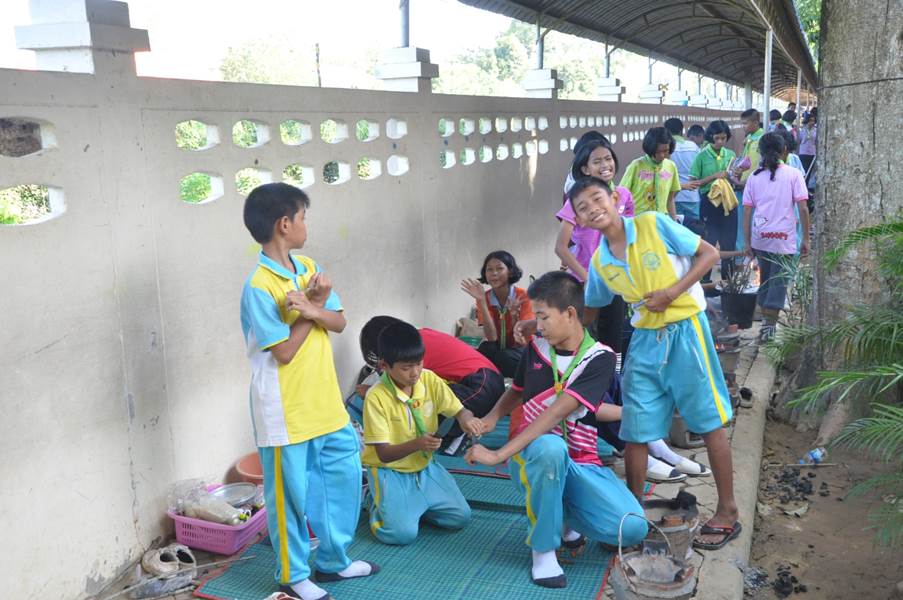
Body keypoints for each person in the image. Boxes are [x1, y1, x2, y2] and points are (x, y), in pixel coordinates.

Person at [569, 176, 741, 551]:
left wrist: (671, 292)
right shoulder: (600, 262)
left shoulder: (652, 224)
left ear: (615, 198)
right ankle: (632, 518)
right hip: (645, 342)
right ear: (578, 220)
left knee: (708, 422)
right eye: (583, 207)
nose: (593, 209)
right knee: (636, 428)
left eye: (597, 199)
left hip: (687, 332)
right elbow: (590, 311)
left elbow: (709, 254)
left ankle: (727, 511)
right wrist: (550, 326)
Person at [239, 182, 378, 600]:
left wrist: (314, 306)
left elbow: (338, 321)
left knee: (342, 478)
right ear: (285, 224)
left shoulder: (308, 267)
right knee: (290, 496)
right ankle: (293, 575)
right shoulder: (259, 285)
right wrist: (308, 313)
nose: (305, 224)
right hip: (285, 409)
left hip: (325, 403)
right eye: (302, 217)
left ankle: (334, 560)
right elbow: (283, 352)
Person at [465, 271, 647, 589]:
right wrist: (493, 417)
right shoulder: (536, 349)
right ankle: (543, 551)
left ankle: (564, 518)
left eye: (543, 316)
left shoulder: (599, 358)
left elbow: (558, 412)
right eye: (536, 316)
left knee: (633, 528)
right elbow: (517, 390)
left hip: (581, 462)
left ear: (570, 314)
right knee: (550, 448)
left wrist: (496, 455)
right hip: (534, 457)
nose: (538, 325)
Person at [361, 320, 484, 545]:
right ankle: (375, 500)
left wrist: (467, 419)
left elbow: (458, 409)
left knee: (460, 517)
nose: (415, 373)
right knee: (400, 535)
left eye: (419, 364)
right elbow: (383, 454)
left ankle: (411, 507)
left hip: (425, 467)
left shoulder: (429, 379)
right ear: (384, 366)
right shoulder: (376, 397)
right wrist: (417, 444)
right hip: (390, 471)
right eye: (406, 368)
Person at [358, 315, 505, 449]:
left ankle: (457, 433)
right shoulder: (418, 339)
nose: (413, 371)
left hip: (483, 385)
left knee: (422, 418)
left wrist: (372, 391)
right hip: (488, 381)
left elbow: (404, 391)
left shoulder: (412, 352)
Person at [555, 136, 634, 370]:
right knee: (583, 335)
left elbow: (630, 237)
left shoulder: (623, 195)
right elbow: (561, 247)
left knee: (613, 337)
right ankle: (579, 381)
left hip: (615, 278)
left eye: (608, 159)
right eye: (597, 161)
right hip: (584, 281)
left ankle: (613, 382)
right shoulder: (576, 200)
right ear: (585, 169)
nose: (605, 165)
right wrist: (588, 277)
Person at [742, 132, 811, 342]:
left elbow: (747, 212)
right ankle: (769, 330)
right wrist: (806, 238)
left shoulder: (754, 177)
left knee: (765, 281)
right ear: (784, 151)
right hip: (784, 239)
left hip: (760, 237)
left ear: (760, 152)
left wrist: (747, 242)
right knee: (778, 284)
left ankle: (766, 325)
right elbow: (803, 208)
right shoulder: (794, 174)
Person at [461, 250, 533, 378]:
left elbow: (522, 340)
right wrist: (482, 302)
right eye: (489, 269)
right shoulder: (484, 297)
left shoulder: (523, 296)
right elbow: (492, 338)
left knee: (504, 357)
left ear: (510, 271)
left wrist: (514, 316)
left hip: (524, 350)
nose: (494, 273)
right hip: (500, 350)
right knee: (485, 350)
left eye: (499, 268)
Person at [691, 120, 738, 280]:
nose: (720, 142)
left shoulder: (730, 155)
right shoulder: (701, 156)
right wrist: (714, 177)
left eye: (723, 138)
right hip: (709, 202)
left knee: (729, 241)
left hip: (728, 202)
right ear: (710, 137)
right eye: (716, 138)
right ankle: (705, 281)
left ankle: (728, 281)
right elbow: (694, 182)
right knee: (708, 241)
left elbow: (734, 179)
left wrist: (736, 174)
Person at [619, 127, 681, 219]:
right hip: (637, 220)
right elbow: (621, 196)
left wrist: (673, 222)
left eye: (666, 151)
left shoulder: (671, 167)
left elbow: (670, 199)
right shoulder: (636, 166)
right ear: (650, 148)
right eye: (657, 151)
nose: (662, 155)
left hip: (660, 220)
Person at [733, 109, 766, 251]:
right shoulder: (749, 139)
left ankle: (751, 251)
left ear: (756, 123)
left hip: (755, 186)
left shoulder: (762, 140)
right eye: (742, 123)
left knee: (753, 220)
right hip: (744, 184)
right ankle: (743, 253)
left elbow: (761, 164)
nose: (743, 127)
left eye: (745, 123)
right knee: (744, 220)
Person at [663, 117, 703, 226]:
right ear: (682, 131)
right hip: (692, 195)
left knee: (675, 228)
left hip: (672, 197)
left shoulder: (665, 149)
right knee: (694, 229)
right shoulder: (693, 147)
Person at [798, 111, 817, 188]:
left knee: (810, 172)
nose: (812, 122)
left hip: (812, 153)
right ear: (806, 121)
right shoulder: (801, 130)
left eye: (813, 121)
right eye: (810, 120)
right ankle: (802, 187)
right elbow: (798, 141)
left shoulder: (816, 130)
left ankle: (806, 187)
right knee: (804, 171)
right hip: (803, 152)